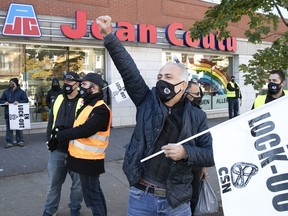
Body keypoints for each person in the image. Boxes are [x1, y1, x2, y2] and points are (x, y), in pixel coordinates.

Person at [96, 16, 214, 216]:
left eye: (168, 77)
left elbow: (210, 154)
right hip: (142, 196)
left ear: (183, 85)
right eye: (159, 77)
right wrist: (109, 36)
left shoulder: (198, 116)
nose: (162, 81)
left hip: (177, 201)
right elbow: (128, 70)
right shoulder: (146, 100)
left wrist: (185, 152)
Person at [55, 73, 112, 216]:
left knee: (92, 197)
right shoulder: (88, 106)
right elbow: (79, 126)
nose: (81, 87)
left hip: (90, 161)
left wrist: (61, 135)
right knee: (95, 192)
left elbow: (86, 130)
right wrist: (64, 130)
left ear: (94, 88)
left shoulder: (101, 109)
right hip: (82, 159)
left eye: (84, 85)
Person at [43, 72, 83, 216]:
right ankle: (49, 210)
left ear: (77, 84)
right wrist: (49, 139)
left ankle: (75, 209)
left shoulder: (83, 101)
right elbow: (50, 121)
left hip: (76, 150)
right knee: (53, 185)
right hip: (57, 150)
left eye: (70, 81)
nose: (66, 84)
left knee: (78, 186)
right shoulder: (58, 98)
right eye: (65, 81)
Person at [185, 81, 209, 213]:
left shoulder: (199, 114)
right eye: (197, 93)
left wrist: (204, 166)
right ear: (187, 94)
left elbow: (203, 141)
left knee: (194, 199)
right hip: (182, 165)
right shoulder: (178, 112)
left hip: (196, 164)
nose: (200, 96)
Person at [0, 78, 28, 148]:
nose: (11, 84)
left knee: (18, 127)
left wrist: (19, 102)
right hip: (8, 112)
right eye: (10, 83)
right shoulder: (6, 92)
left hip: (18, 112)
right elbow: (1, 100)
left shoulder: (21, 92)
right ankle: (9, 142)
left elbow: (25, 100)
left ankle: (20, 141)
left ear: (16, 83)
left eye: (13, 83)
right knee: (9, 128)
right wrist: (4, 102)